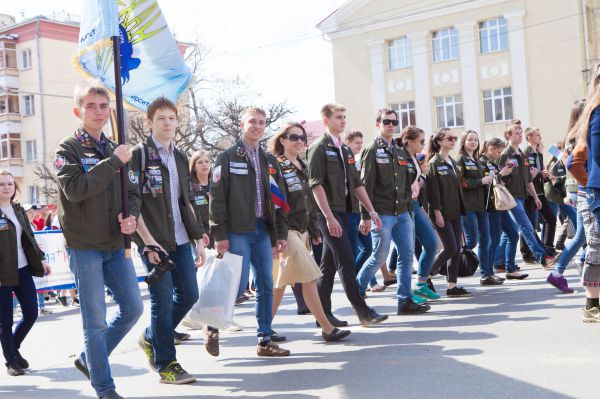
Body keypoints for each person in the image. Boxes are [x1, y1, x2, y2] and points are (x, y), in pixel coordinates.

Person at [55, 84, 143, 399]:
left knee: (133, 308)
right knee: (95, 321)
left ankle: (88, 358)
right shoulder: (68, 149)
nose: (98, 111)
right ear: (79, 111)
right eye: (91, 105)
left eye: (103, 105)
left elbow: (132, 193)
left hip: (116, 244)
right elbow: (76, 190)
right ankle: (105, 388)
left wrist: (131, 218)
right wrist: (113, 163)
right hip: (85, 246)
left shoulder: (117, 148)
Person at [131, 97, 206, 384]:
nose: (167, 123)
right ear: (149, 122)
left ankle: (151, 337)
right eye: (160, 118)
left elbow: (185, 201)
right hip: (154, 242)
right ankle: (167, 363)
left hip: (181, 239)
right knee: (161, 303)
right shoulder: (140, 155)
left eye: (171, 118)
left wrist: (198, 237)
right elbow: (132, 202)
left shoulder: (180, 156)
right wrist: (148, 242)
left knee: (189, 295)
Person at [210, 107, 291, 356]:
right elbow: (217, 197)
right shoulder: (227, 157)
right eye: (252, 122)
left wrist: (280, 234)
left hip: (262, 230)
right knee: (238, 283)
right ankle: (212, 324)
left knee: (266, 284)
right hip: (236, 231)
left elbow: (279, 201)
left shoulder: (269, 161)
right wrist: (219, 234)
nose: (257, 126)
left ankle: (264, 340)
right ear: (241, 124)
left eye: (261, 123)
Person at [307, 103, 388, 327]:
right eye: (337, 117)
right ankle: (362, 310)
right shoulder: (318, 148)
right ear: (326, 120)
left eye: (344, 116)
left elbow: (357, 184)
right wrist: (329, 217)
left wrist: (371, 210)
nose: (342, 121)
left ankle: (322, 315)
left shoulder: (344, 150)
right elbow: (316, 185)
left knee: (328, 265)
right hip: (328, 213)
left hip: (345, 211)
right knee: (346, 259)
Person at [269, 122, 351, 341]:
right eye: (293, 137)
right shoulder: (276, 166)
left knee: (279, 283)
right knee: (310, 277)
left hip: (302, 230)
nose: (299, 141)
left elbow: (308, 202)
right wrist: (278, 235)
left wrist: (314, 230)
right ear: (282, 140)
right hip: (286, 232)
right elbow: (276, 204)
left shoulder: (302, 166)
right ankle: (326, 327)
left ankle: (264, 328)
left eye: (302, 138)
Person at [356, 109, 429, 314]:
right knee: (379, 257)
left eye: (394, 122)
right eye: (386, 121)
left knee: (406, 256)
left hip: (403, 212)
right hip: (382, 213)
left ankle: (404, 301)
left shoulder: (399, 150)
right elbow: (365, 184)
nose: (390, 125)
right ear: (377, 123)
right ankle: (357, 291)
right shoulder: (372, 149)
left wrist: (408, 208)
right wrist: (366, 215)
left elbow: (405, 182)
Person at [0, 170, 51, 376]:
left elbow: (29, 237)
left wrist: (41, 259)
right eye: (2, 184)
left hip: (23, 270)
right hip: (2, 274)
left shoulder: (19, 210)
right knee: (5, 320)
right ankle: (11, 361)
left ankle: (13, 347)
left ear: (15, 187)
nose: (6, 187)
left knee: (31, 313)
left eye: (10, 184)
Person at [498, 122, 554, 268]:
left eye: (521, 132)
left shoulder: (522, 155)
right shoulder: (506, 154)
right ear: (508, 135)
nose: (520, 135)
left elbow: (528, 179)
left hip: (523, 196)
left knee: (515, 231)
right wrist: (503, 175)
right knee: (527, 226)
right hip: (512, 198)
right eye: (516, 133)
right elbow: (499, 179)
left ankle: (502, 262)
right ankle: (543, 257)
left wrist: (535, 197)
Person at [548, 101, 587, 292]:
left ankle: (562, 270)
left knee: (582, 234)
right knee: (582, 233)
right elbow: (573, 164)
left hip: (577, 188)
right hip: (581, 188)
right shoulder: (579, 136)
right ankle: (564, 269)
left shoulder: (572, 136)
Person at [427, 128, 471, 297]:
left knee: (457, 249)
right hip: (442, 211)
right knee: (450, 248)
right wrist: (437, 213)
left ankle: (452, 286)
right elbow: (433, 191)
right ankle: (425, 276)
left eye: (454, 138)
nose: (453, 141)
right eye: (449, 138)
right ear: (439, 141)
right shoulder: (434, 163)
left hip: (455, 210)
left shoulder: (452, 161)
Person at [398, 128, 440, 298]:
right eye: (421, 141)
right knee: (405, 252)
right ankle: (359, 288)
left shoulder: (414, 157)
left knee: (432, 243)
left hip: (415, 204)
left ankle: (421, 284)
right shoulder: (399, 156)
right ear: (409, 141)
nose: (424, 145)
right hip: (403, 206)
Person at [456, 130, 501, 285]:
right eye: (470, 139)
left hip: (482, 206)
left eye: (475, 140)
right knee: (472, 241)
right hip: (467, 206)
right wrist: (481, 181)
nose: (473, 142)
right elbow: (462, 183)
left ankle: (486, 275)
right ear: (463, 142)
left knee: (485, 240)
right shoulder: (460, 160)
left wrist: (493, 176)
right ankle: (450, 253)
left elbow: (487, 178)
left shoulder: (476, 160)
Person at [573, 68, 600, 322]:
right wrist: (588, 187)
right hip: (594, 193)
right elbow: (574, 162)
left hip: (592, 191)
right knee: (595, 245)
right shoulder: (597, 114)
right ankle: (592, 305)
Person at [479, 138, 526, 280]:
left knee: (513, 234)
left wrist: (506, 174)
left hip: (500, 205)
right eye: (498, 151)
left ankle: (510, 269)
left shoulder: (493, 162)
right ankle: (487, 273)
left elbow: (497, 181)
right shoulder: (481, 162)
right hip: (492, 206)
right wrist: (501, 174)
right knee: (493, 239)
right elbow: (487, 182)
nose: (500, 154)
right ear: (489, 148)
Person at [344, 131, 385, 292]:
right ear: (347, 142)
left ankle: (364, 280)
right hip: (351, 212)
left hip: (360, 212)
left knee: (368, 249)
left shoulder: (358, 162)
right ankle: (357, 283)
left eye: (361, 143)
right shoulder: (348, 162)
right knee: (356, 250)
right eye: (356, 143)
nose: (360, 146)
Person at [521, 128, 558, 260]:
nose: (540, 137)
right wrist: (535, 175)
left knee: (551, 219)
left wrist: (544, 175)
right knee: (528, 223)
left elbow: (538, 172)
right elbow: (526, 174)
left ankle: (548, 247)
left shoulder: (538, 152)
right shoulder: (526, 152)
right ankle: (526, 253)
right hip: (529, 193)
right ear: (529, 137)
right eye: (537, 135)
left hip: (540, 192)